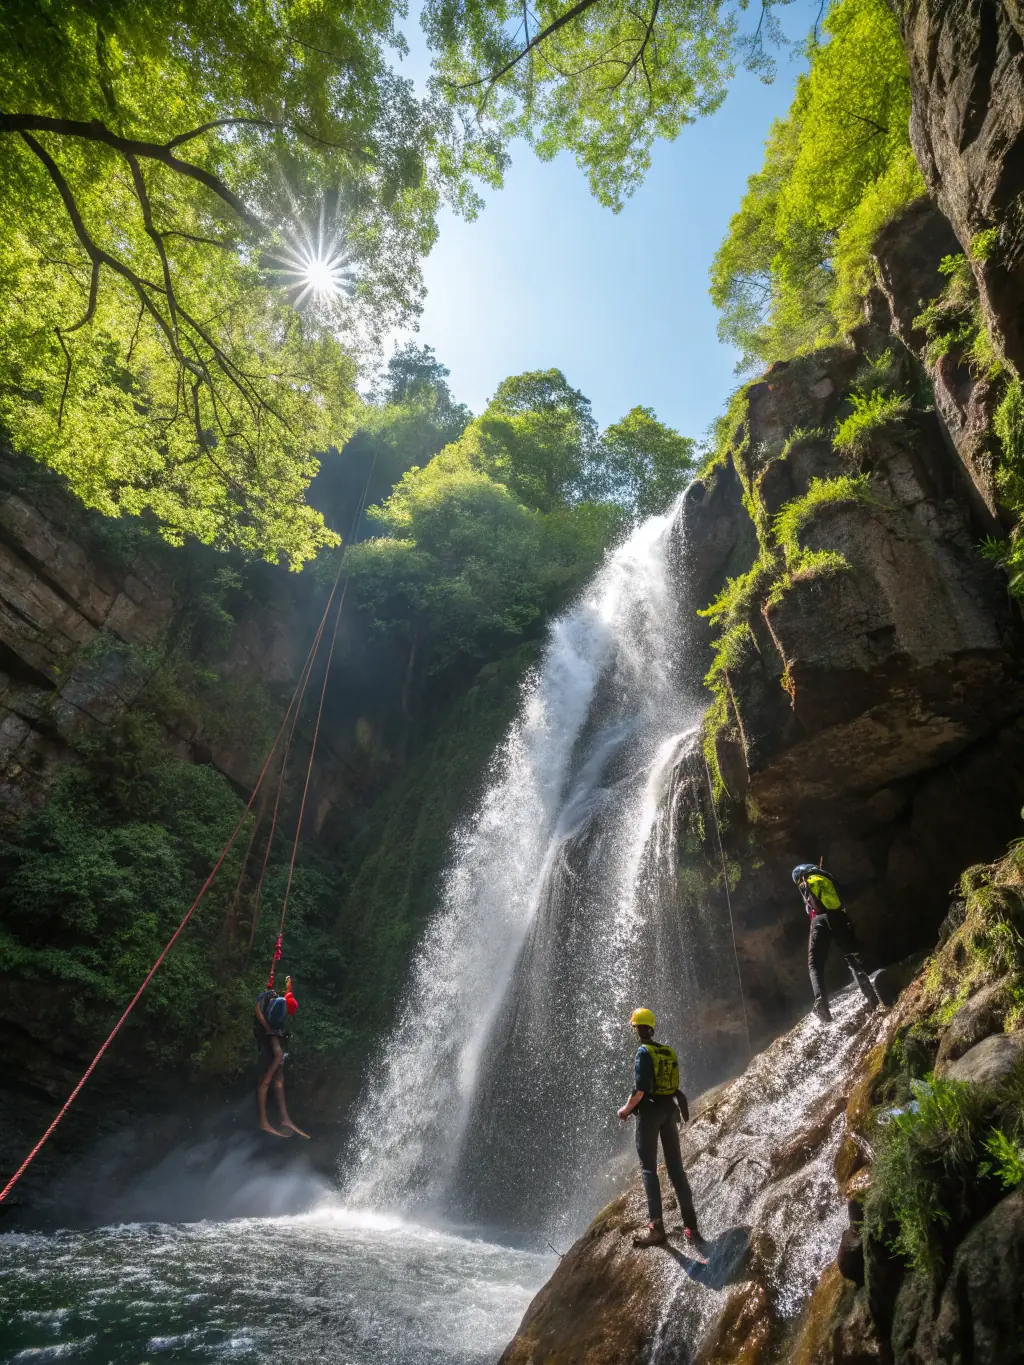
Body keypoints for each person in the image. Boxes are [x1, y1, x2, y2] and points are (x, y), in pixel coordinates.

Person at [618, 1007, 707, 1252]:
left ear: (637, 1028)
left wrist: (625, 1111)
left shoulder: (643, 1052)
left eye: (634, 1027)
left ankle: (656, 1228)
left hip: (650, 1113)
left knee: (649, 1169)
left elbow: (640, 1091)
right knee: (676, 1168)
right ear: (652, 1027)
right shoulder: (665, 1050)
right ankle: (692, 1227)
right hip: (670, 1110)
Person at [792, 864, 883, 1023]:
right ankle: (872, 996)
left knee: (815, 965)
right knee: (851, 957)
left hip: (819, 919)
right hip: (840, 916)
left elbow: (809, 908)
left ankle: (822, 1004)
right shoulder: (826, 878)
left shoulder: (805, 882)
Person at [254, 975, 310, 1138]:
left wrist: (287, 985)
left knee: (275, 1082)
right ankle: (269, 1120)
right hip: (272, 1042)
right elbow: (259, 1011)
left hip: (274, 1040)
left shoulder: (278, 1010)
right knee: (271, 1082)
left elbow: (262, 1010)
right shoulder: (278, 1008)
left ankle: (283, 1118)